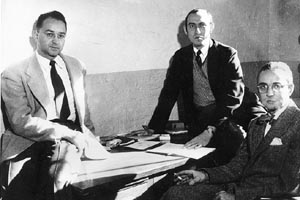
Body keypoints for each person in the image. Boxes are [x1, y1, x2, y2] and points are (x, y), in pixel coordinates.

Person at [1, 10, 107, 200]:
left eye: (61, 35)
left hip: (72, 136)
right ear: (36, 35)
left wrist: (91, 138)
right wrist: (69, 135)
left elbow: (84, 113)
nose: (56, 41)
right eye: (49, 34)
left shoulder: (76, 66)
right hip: (34, 141)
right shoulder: (14, 72)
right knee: (57, 176)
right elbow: (21, 122)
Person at [161, 61, 300, 200]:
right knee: (175, 194)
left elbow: (289, 185)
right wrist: (204, 175)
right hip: (240, 188)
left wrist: (236, 197)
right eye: (263, 87)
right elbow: (237, 167)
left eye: (276, 86)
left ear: (290, 88)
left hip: (268, 196)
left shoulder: (297, 123)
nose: (269, 93)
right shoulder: (257, 123)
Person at [147, 8, 263, 166]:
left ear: (211, 27)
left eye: (202, 25)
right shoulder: (180, 57)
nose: (198, 31)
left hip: (237, 111)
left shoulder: (227, 54)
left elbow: (232, 97)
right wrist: (153, 128)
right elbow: (168, 95)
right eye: (192, 26)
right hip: (203, 117)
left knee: (243, 144)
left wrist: (210, 130)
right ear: (186, 30)